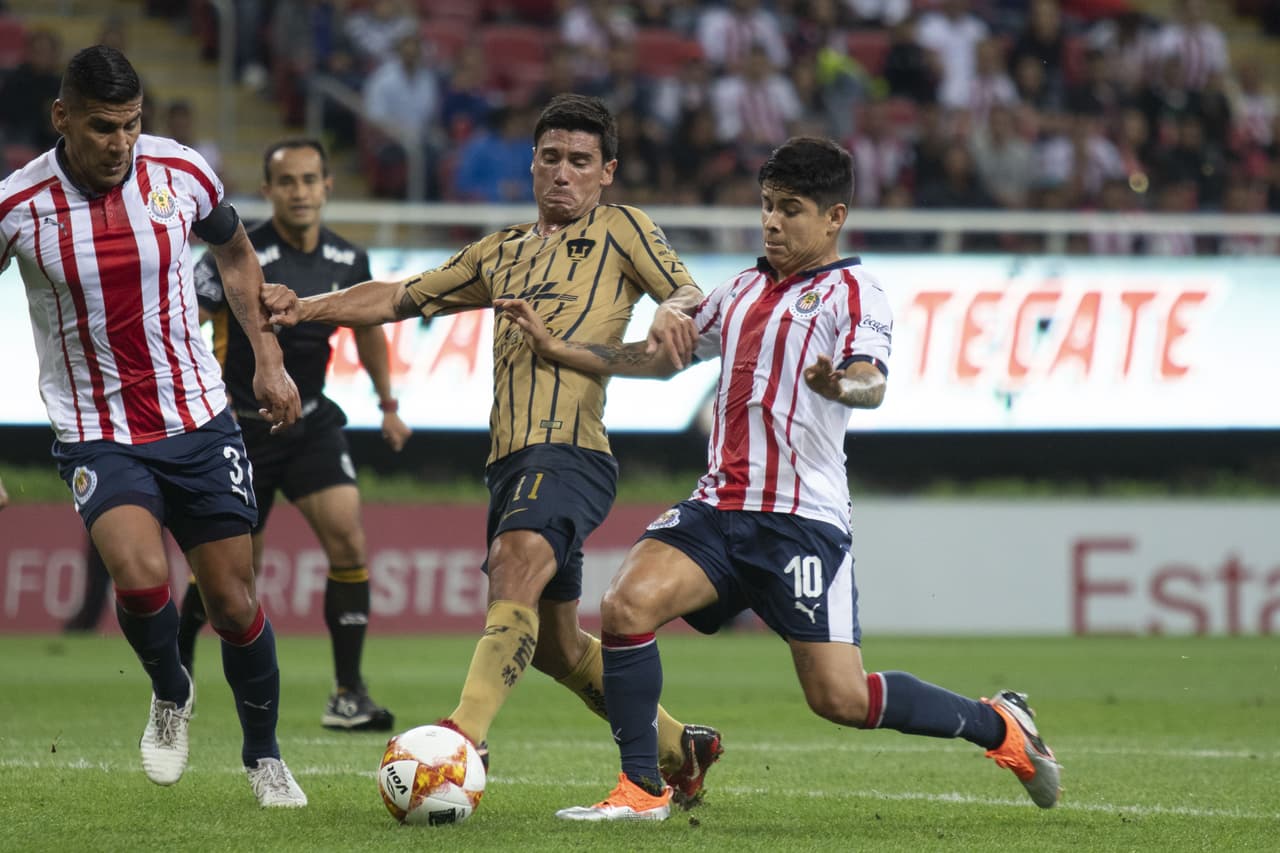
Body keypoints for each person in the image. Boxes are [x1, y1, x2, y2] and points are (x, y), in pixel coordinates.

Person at [496, 136, 1062, 821]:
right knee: (625, 606)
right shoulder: (740, 289)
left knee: (840, 698)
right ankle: (643, 786)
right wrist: (559, 347)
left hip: (801, 521)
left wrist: (840, 384)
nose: (771, 221)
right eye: (766, 205)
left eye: (790, 209)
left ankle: (999, 724)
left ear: (834, 217)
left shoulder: (856, 292)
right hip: (718, 508)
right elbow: (662, 358)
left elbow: (872, 380)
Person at [261, 93, 724, 807]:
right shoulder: (499, 250)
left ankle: (461, 737)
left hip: (570, 449)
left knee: (515, 561)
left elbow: (689, 292)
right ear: (532, 163)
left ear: (607, 172)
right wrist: (308, 306)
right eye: (551, 157)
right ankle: (679, 747)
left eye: (581, 161)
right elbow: (400, 297)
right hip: (509, 462)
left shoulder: (622, 228)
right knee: (558, 645)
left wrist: (672, 307)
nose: (563, 172)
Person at [0, 45, 308, 807]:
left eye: (131, 125)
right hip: (96, 427)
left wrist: (267, 360)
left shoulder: (181, 171)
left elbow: (236, 253)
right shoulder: (17, 205)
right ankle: (172, 688)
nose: (120, 144)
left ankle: (265, 756)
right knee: (140, 577)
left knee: (233, 602)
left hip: (198, 415)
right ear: (62, 117)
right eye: (103, 127)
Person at [179, 138, 409, 731]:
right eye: (287, 182)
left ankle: (348, 694)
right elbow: (183, 324)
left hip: (310, 422)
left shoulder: (348, 258)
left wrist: (388, 404)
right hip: (240, 428)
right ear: (268, 190)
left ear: (327, 186)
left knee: (349, 543)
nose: (300, 192)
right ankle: (177, 671)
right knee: (231, 575)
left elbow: (368, 330)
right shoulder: (236, 254)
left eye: (310, 180)